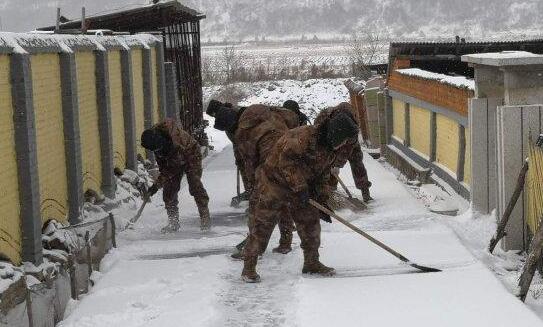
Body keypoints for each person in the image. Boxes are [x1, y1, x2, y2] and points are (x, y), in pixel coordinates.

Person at [241, 112, 360, 282]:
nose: (345, 145)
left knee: (310, 223)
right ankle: (248, 268)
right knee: (262, 227)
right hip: (274, 183)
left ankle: (311, 263)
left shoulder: (330, 149)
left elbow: (323, 174)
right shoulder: (301, 137)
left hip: (301, 187)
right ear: (335, 133)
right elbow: (286, 164)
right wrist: (300, 187)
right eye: (344, 140)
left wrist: (321, 198)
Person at [233, 103, 304, 255]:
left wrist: (252, 187)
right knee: (284, 200)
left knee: (259, 207)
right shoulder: (278, 117)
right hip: (290, 162)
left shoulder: (246, 132)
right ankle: (285, 242)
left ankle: (253, 249)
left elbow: (249, 162)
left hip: (270, 167)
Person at [141, 118, 211, 232]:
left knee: (195, 186)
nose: (157, 152)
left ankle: (205, 218)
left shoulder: (176, 142)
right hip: (173, 158)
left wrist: (156, 185)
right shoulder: (155, 139)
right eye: (155, 150)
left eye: (158, 149)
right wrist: (156, 185)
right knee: (169, 190)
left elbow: (171, 169)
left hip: (191, 154)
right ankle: (173, 222)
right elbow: (164, 167)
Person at [314, 102, 372, 202]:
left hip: (346, 134)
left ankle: (365, 190)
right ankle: (330, 192)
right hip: (329, 138)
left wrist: (337, 165)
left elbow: (346, 151)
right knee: (327, 164)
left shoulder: (352, 129)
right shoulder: (323, 121)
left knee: (356, 160)